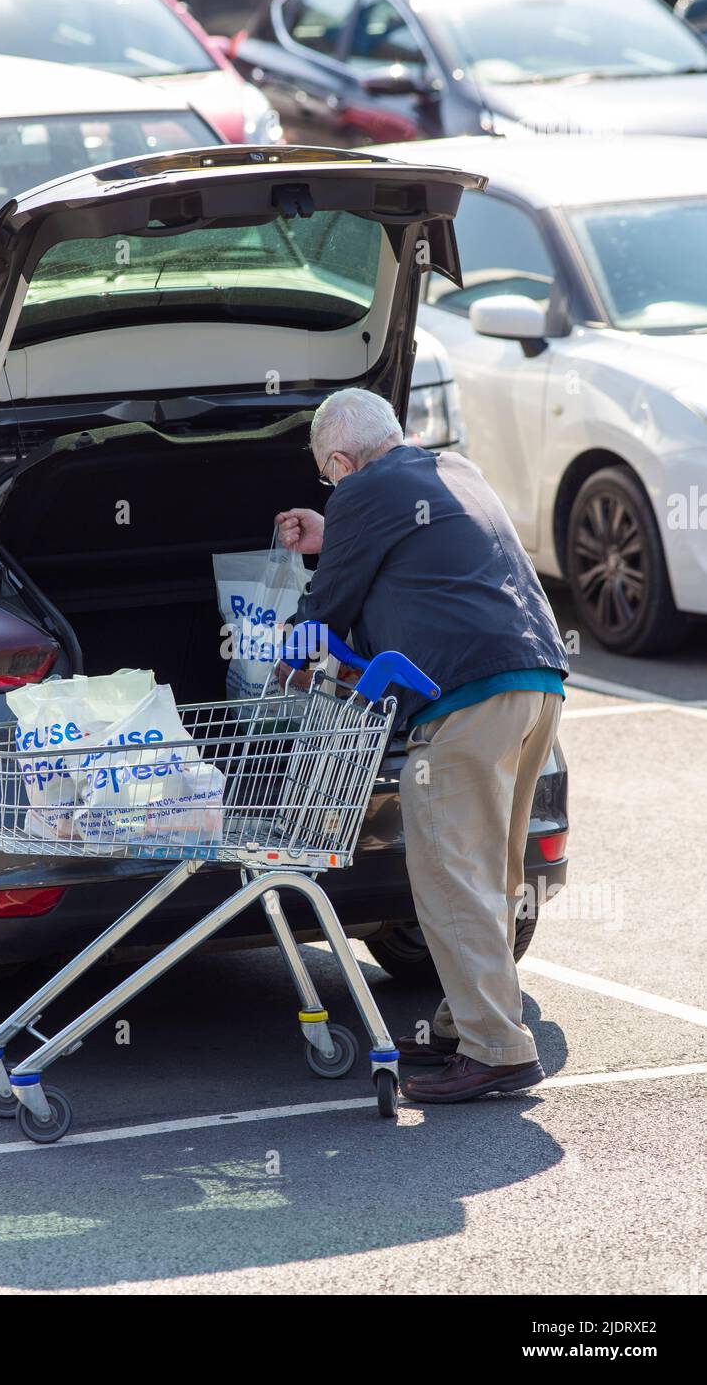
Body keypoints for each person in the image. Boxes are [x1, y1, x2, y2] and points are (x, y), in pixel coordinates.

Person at [275, 388, 569, 1104]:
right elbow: (427, 563)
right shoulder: (454, 469)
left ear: (340, 461)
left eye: (328, 475)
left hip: (466, 700)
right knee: (492, 872)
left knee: (447, 875)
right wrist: (334, 530)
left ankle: (498, 1049)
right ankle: (463, 1023)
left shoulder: (361, 492)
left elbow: (326, 612)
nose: (332, 488)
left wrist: (282, 653)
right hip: (536, 683)